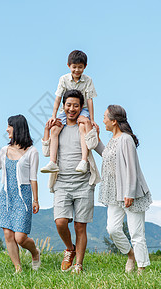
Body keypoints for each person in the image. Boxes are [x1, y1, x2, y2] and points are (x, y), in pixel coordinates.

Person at [41, 89, 101, 274]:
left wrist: (90, 126)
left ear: (81, 107)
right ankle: (69, 248)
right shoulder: (58, 127)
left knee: (80, 225)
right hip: (62, 182)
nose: (72, 109)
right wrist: (46, 130)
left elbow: (93, 145)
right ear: (63, 106)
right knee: (60, 221)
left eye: (76, 105)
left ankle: (79, 265)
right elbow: (46, 153)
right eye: (68, 105)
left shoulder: (85, 125)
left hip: (84, 182)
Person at [0, 114, 41, 273]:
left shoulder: (32, 152)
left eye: (9, 126)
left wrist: (35, 200)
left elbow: (33, 178)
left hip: (23, 197)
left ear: (17, 128)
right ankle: (18, 268)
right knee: (8, 235)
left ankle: (35, 252)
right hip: (6, 196)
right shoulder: (4, 150)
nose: (6, 129)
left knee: (20, 238)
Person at [95, 105, 152, 274]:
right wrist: (97, 139)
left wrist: (130, 193)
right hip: (113, 193)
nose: (103, 120)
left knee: (136, 233)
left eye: (105, 117)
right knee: (112, 229)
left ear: (114, 121)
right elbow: (106, 155)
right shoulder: (113, 139)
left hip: (131, 193)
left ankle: (141, 269)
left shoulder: (126, 139)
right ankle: (131, 254)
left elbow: (132, 168)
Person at [41, 50, 97, 174]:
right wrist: (54, 116)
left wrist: (91, 119)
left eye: (80, 67)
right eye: (74, 67)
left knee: (82, 125)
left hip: (82, 109)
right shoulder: (63, 79)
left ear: (85, 67)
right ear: (68, 66)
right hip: (65, 110)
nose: (77, 70)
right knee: (55, 128)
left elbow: (90, 100)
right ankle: (52, 162)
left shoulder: (88, 80)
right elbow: (58, 98)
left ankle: (83, 161)